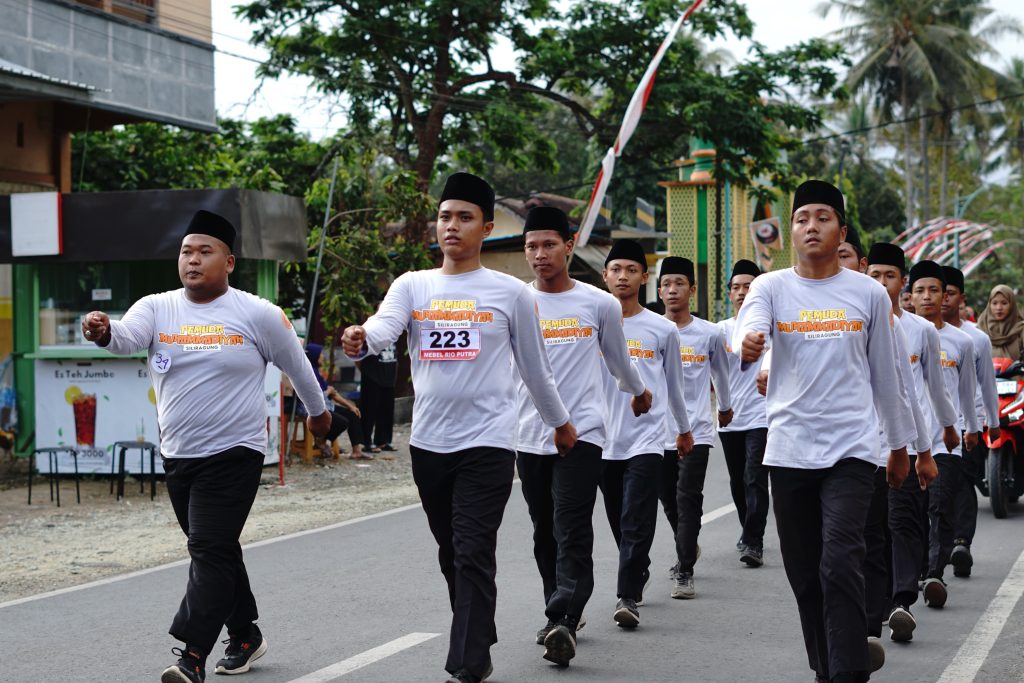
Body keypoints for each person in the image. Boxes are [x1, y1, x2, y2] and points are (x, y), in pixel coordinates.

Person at [341, 172, 575, 683]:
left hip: (488, 444)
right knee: (451, 552)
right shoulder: (414, 285)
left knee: (473, 549)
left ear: (486, 228)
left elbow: (535, 369)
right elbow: (384, 327)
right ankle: (478, 627)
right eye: (445, 216)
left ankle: (468, 662)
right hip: (428, 444)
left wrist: (560, 424)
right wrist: (361, 337)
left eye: (464, 217)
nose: (452, 226)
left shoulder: (511, 293)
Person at [82, 209, 331, 683]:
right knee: (214, 549)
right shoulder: (156, 307)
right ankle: (245, 634)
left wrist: (319, 414)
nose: (192, 261)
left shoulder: (257, 314)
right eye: (186, 252)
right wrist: (103, 330)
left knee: (208, 545)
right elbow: (125, 338)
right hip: (178, 454)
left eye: (205, 251)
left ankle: (191, 654)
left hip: (235, 452)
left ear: (229, 261)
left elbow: (299, 367)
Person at [735, 180, 916, 683]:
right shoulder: (772, 287)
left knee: (840, 563)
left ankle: (847, 673)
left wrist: (899, 447)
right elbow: (750, 319)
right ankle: (828, 666)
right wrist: (748, 340)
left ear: (840, 229)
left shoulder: (868, 294)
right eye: (801, 218)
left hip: (852, 453)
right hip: (789, 451)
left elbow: (887, 376)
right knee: (805, 576)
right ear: (791, 230)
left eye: (822, 217)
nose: (810, 226)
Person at [514, 206, 650, 666]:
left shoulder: (598, 303)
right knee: (543, 531)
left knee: (571, 525)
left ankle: (563, 620)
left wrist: (638, 391)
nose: (539, 254)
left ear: (569, 246)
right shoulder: (517, 300)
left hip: (584, 434)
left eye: (549, 244)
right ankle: (559, 606)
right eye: (531, 245)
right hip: (528, 435)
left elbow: (618, 359)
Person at [600, 238, 693, 629]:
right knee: (618, 520)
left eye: (631, 270)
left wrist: (684, 430)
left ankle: (627, 597)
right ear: (605, 276)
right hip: (601, 440)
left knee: (637, 516)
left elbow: (674, 385)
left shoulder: (660, 329)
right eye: (616, 269)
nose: (623, 277)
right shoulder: (592, 323)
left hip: (647, 439)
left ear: (643, 277)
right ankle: (637, 567)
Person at [864, 243, 939, 646]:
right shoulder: (852, 324)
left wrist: (927, 448)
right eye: (873, 275)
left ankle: (902, 602)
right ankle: (872, 611)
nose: (880, 283)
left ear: (902, 282)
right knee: (871, 532)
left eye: (888, 276)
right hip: (860, 449)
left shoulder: (921, 331)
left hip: (904, 446)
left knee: (902, 522)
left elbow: (923, 393)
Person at [656, 256, 733, 600]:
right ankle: (686, 544)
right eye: (667, 284)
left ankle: (683, 569)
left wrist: (727, 408)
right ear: (659, 290)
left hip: (698, 431)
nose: (673, 290)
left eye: (680, 284)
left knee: (688, 499)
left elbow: (721, 374)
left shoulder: (709, 333)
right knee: (669, 501)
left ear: (693, 289)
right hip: (658, 434)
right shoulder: (652, 331)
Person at [908, 260, 980, 610]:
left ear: (945, 295)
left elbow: (967, 391)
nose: (927, 296)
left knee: (939, 506)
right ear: (910, 296)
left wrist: (972, 427)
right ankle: (918, 570)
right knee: (914, 511)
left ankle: (935, 573)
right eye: (919, 290)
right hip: (905, 441)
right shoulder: (899, 334)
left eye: (934, 289)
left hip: (945, 441)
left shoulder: (962, 342)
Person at [941, 266, 1000, 578]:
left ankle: (961, 542)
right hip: (932, 426)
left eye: (949, 293)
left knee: (963, 484)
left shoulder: (977, 339)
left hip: (969, 425)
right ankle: (938, 547)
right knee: (936, 489)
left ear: (961, 298)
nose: (942, 299)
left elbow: (987, 383)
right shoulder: (921, 333)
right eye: (938, 292)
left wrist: (992, 421)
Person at [718, 259, 771, 568]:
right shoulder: (720, 331)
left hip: (761, 417)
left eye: (748, 286)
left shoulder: (768, 331)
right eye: (736, 287)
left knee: (754, 478)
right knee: (738, 481)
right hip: (729, 418)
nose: (741, 292)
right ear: (729, 294)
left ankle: (754, 541)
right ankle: (747, 529)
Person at [303, 344, 369, 460]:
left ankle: (356, 451)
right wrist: (328, 392)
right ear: (314, 357)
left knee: (353, 414)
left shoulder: (317, 372)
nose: (323, 357)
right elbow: (311, 397)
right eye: (320, 355)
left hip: (327, 406)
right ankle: (321, 441)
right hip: (315, 409)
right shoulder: (309, 374)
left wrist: (350, 406)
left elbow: (333, 393)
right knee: (342, 422)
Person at [359, 342, 398, 453]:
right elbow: (358, 358)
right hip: (372, 375)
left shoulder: (394, 333)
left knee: (387, 410)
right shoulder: (372, 332)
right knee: (369, 410)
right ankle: (366, 442)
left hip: (389, 376)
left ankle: (383, 441)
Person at [977, 284, 1024, 360]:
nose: (999, 308)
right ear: (989, 304)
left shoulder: (1020, 329)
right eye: (994, 303)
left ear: (1012, 305)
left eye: (1004, 303)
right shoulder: (980, 328)